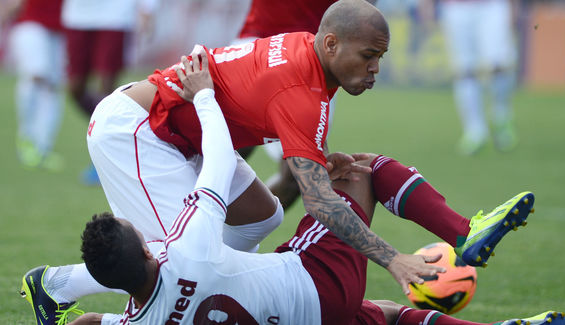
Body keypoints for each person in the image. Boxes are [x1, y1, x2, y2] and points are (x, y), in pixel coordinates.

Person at [21, 0, 536, 321]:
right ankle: (55, 285)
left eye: (382, 57)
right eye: (367, 57)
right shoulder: (302, 89)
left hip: (177, 131)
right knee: (169, 260)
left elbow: (292, 157)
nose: (376, 69)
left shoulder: (310, 63)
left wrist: (310, 159)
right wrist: (394, 260)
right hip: (133, 130)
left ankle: (463, 231)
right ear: (330, 43)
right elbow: (319, 200)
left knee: (263, 216)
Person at [232, 0, 377, 209]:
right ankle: (188, 222)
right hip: (260, 41)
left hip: (314, 57)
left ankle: (232, 234)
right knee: (230, 148)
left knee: (297, 177)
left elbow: (364, 10)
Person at [60, 0, 158, 184]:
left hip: (115, 16)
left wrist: (148, 8)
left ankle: (104, 156)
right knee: (75, 88)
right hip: (77, 16)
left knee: (105, 89)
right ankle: (115, 135)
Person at [421, 0, 519, 155]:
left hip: (491, 6)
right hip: (455, 8)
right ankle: (475, 131)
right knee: (464, 70)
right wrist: (427, 5)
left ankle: (501, 114)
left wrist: (514, 6)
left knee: (499, 64)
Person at [3, 0, 65, 171]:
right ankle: (26, 136)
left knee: (52, 87)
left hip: (59, 30)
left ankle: (43, 145)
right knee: (35, 75)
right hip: (30, 24)